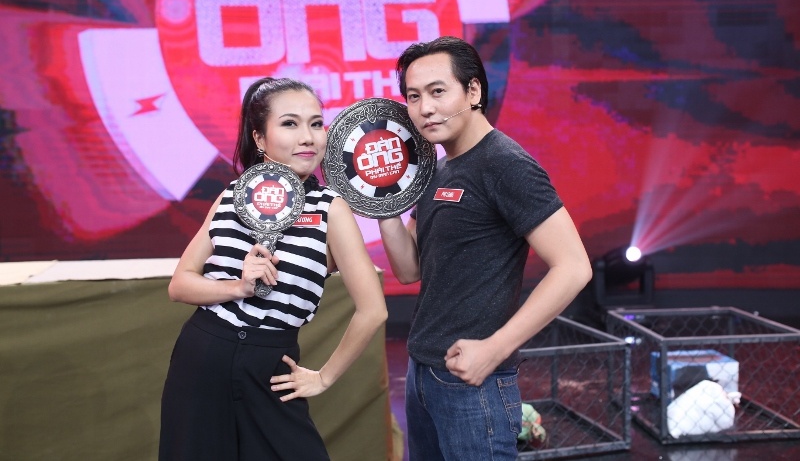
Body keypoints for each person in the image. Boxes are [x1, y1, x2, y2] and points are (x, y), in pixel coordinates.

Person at [378, 36, 592, 460]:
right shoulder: (437, 169)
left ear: (473, 91)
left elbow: (573, 267)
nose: (425, 108)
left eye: (438, 91)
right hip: (423, 372)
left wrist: (494, 348)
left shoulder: (505, 163)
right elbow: (408, 269)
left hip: (473, 383)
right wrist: (380, 201)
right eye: (414, 96)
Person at [159, 77, 388, 461]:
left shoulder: (329, 209)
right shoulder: (231, 195)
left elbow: (373, 310)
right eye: (290, 124)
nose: (308, 137)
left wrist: (324, 377)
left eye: (316, 123)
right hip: (203, 355)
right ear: (259, 138)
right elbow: (179, 285)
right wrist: (238, 287)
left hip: (271, 365)